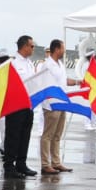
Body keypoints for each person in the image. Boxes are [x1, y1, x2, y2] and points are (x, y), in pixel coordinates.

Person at [37, 39, 78, 175]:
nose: (64, 51)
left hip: (62, 102)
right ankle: (45, 164)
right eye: (62, 48)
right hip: (51, 104)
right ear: (56, 49)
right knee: (47, 135)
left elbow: (64, 81)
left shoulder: (60, 64)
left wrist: (78, 82)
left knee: (57, 135)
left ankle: (56, 162)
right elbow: (43, 84)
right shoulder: (47, 65)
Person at [3, 35, 38, 179]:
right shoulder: (13, 63)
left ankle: (21, 163)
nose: (33, 48)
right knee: (13, 136)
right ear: (24, 46)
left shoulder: (29, 63)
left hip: (28, 104)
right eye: (31, 46)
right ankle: (9, 166)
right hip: (16, 104)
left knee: (25, 136)